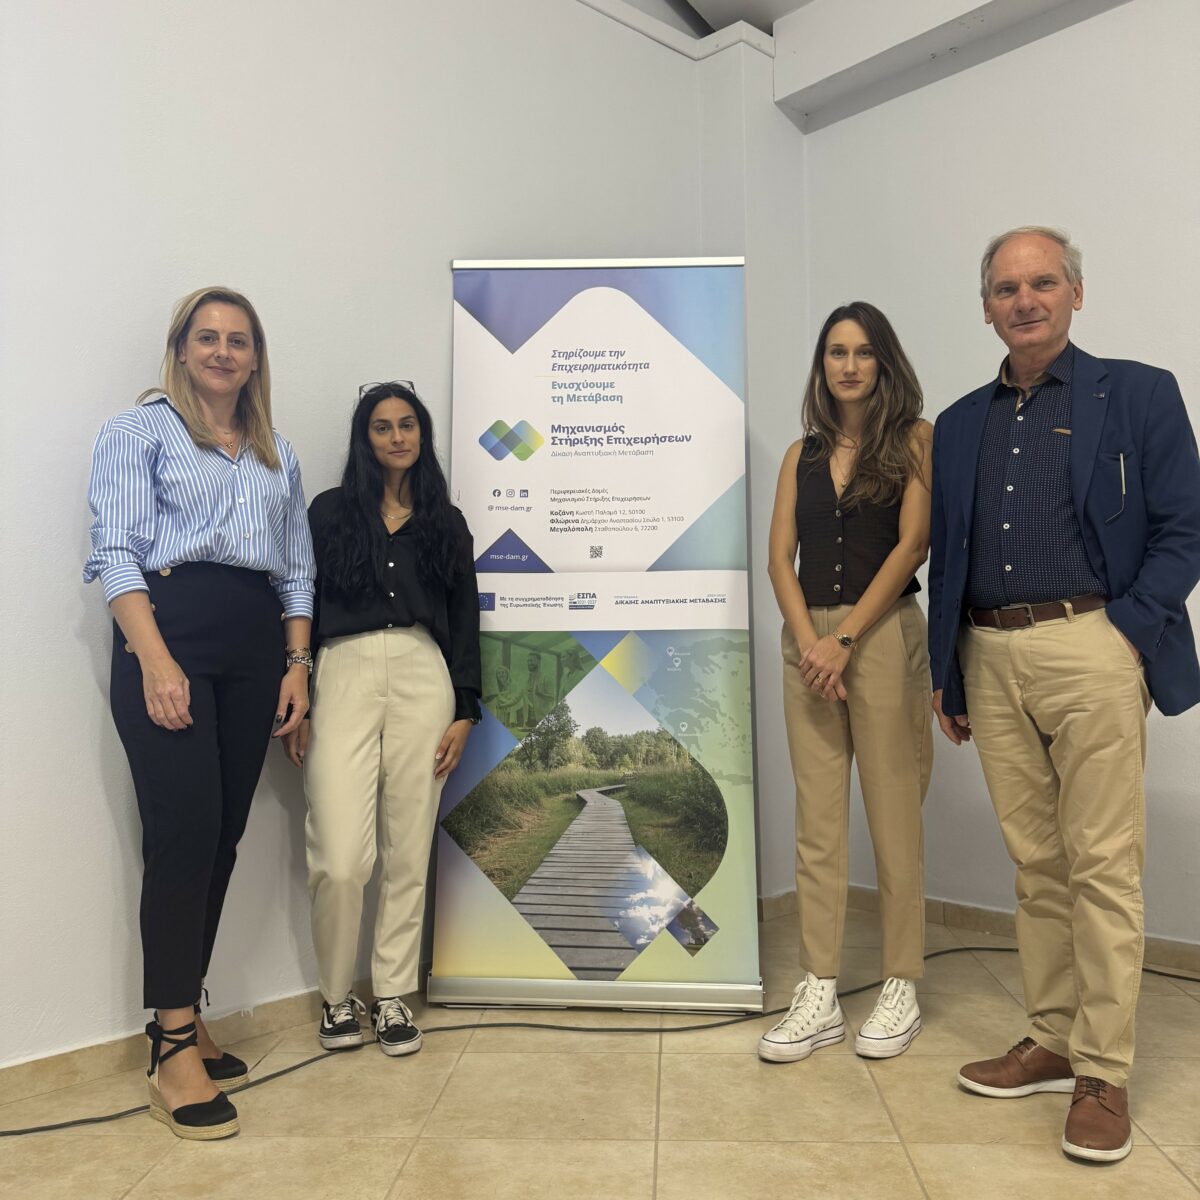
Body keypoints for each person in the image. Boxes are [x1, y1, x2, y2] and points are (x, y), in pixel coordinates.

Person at [928, 226, 1200, 1163]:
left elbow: (1184, 527)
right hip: (988, 651)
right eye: (1007, 288)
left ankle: (1104, 1071)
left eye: (1043, 282)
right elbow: (947, 554)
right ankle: (1050, 1037)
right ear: (987, 308)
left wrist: (1128, 631)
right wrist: (947, 670)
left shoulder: (1140, 393)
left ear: (1075, 294)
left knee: (1102, 864)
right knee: (1036, 863)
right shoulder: (959, 422)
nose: (1026, 300)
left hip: (1093, 644)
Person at [83, 287, 315, 1140]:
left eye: (238, 340)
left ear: (256, 359)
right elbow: (116, 552)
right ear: (181, 348)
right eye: (207, 337)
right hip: (169, 634)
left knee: (221, 836)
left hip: (255, 645)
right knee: (182, 835)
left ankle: (183, 1018)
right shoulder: (136, 433)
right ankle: (171, 1051)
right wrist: (154, 660)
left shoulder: (277, 454)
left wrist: (297, 665)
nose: (222, 351)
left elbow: (296, 569)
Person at [758, 302, 933, 1064]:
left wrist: (846, 639)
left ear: (883, 362)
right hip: (808, 645)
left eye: (863, 352)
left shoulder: (916, 441)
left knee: (893, 815)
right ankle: (820, 987)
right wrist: (810, 644)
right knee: (818, 822)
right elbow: (779, 558)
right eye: (836, 352)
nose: (850, 365)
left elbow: (912, 546)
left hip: (881, 633)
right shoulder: (799, 454)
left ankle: (901, 982)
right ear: (821, 365)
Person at [283, 382, 481, 1056]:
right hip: (342, 670)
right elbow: (299, 595)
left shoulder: (446, 521)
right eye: (382, 426)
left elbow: (465, 620)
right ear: (363, 438)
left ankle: (392, 994)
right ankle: (336, 997)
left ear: (421, 434)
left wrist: (465, 709)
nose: (397, 437)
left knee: (409, 845)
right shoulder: (329, 512)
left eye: (407, 425)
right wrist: (298, 686)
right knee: (341, 856)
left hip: (425, 675)